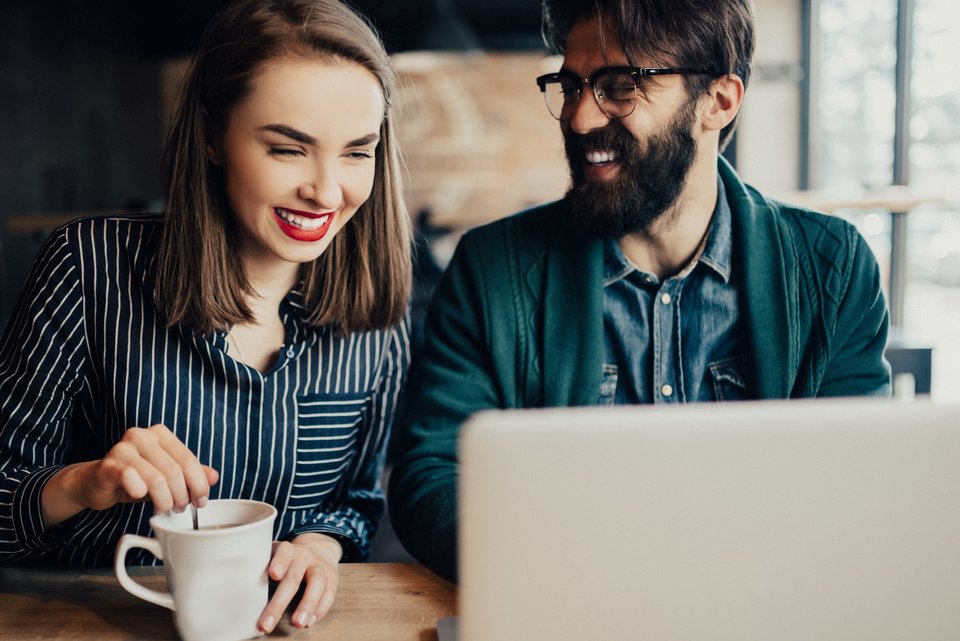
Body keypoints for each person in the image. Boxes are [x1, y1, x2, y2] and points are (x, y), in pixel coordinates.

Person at [389, 0, 891, 581]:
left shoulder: (831, 266)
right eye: (571, 86)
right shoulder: (493, 268)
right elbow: (432, 472)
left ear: (719, 101)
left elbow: (855, 481)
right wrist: (561, 568)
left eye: (619, 86)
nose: (578, 119)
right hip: (566, 601)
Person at [0, 0, 411, 632]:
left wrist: (321, 547)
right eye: (287, 149)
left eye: (358, 153)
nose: (328, 192)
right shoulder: (91, 265)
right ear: (214, 136)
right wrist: (83, 483)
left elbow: (353, 504)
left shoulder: (376, 317)